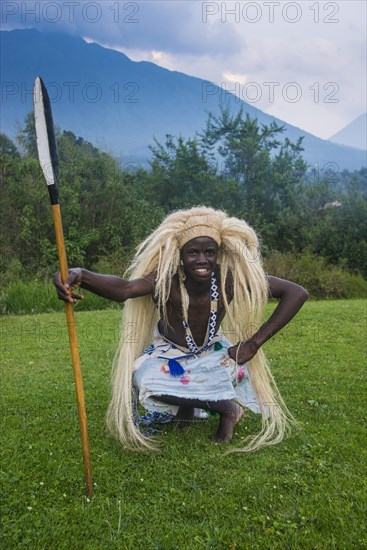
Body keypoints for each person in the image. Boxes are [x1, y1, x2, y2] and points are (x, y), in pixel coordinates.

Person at [54, 206, 308, 452]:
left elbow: (296, 293)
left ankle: (226, 410)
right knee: (145, 380)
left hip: (213, 352)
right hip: (169, 353)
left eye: (209, 252)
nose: (202, 260)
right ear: (180, 254)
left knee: (235, 372)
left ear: (217, 253)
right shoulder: (165, 280)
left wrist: (253, 344)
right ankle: (210, 407)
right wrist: (82, 275)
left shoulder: (229, 279)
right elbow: (125, 289)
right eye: (193, 253)